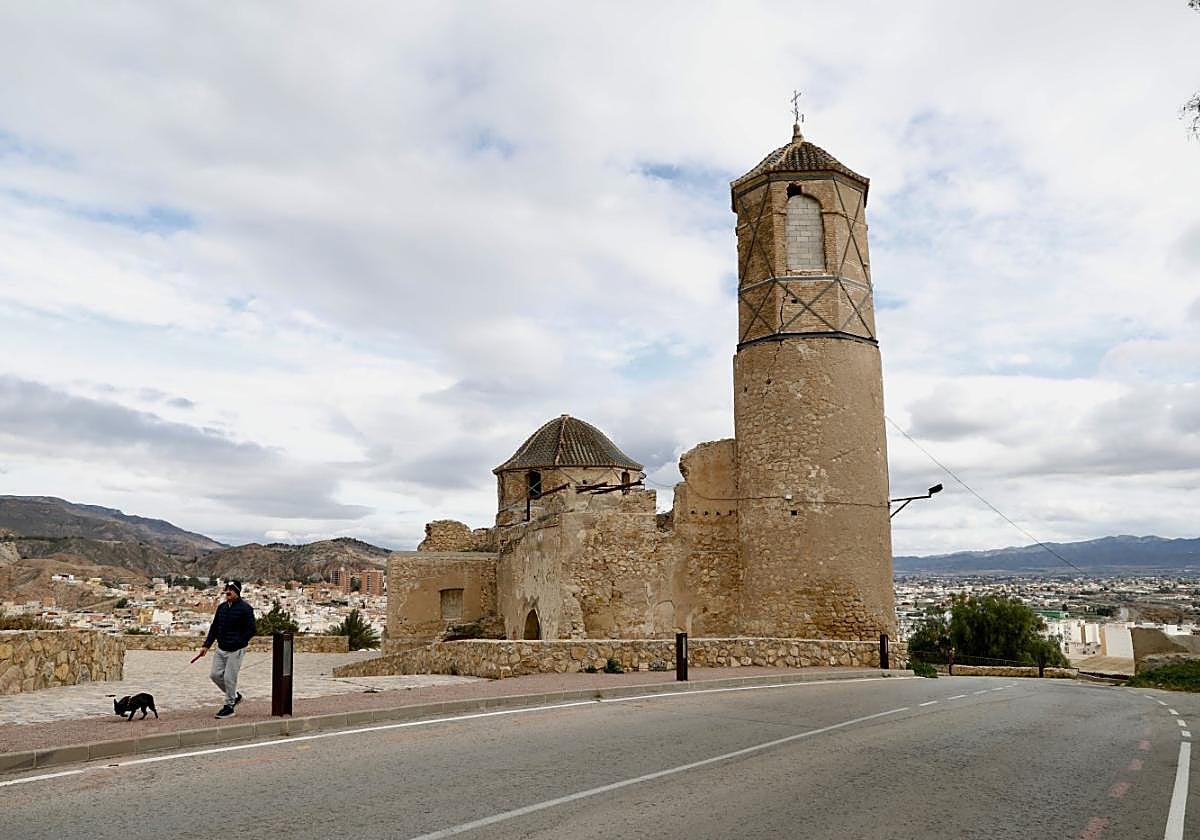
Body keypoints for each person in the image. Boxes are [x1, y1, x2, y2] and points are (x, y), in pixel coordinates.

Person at [196, 580, 255, 718]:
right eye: (227, 589)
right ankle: (235, 696)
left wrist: (239, 642)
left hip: (236, 650)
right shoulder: (221, 608)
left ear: (237, 592)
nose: (228, 592)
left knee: (229, 678)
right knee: (215, 675)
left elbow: (251, 629)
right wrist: (206, 645)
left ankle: (229, 706)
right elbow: (215, 627)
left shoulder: (246, 609)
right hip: (221, 648)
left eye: (231, 590)